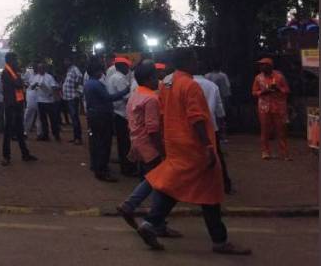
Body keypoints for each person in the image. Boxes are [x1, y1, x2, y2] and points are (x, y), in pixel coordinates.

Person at [133, 50, 251, 256]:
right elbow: (196, 118)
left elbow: (162, 113)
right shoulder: (190, 85)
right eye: (195, 59)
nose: (197, 62)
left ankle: (152, 223)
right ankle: (218, 240)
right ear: (186, 62)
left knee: (175, 187)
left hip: (175, 144)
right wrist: (207, 146)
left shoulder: (167, 83)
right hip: (194, 147)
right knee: (208, 193)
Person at [117, 60, 179, 237]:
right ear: (150, 78)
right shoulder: (151, 98)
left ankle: (131, 206)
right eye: (155, 76)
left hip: (138, 143)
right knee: (160, 184)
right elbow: (153, 130)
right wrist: (163, 151)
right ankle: (154, 222)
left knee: (152, 179)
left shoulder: (137, 93)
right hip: (150, 146)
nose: (158, 78)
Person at [83, 57, 129, 182]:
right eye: (101, 71)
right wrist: (125, 91)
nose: (102, 73)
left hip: (94, 115)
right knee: (104, 143)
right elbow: (108, 98)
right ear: (97, 72)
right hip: (101, 117)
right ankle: (102, 171)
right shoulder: (96, 84)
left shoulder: (88, 83)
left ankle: (97, 166)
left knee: (96, 142)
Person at [194, 68, 232, 194]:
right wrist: (222, 128)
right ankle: (225, 184)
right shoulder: (212, 86)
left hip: (190, 128)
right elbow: (219, 111)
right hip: (211, 126)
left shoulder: (182, 84)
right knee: (217, 156)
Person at [0, 52, 38, 166]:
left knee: (19, 131)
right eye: (16, 60)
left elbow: (19, 84)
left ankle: (25, 154)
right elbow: (18, 84)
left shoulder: (13, 72)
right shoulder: (7, 72)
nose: (18, 62)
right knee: (8, 132)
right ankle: (6, 156)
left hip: (16, 105)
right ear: (10, 61)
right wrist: (19, 79)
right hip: (11, 106)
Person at [252, 57, 291, 161]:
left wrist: (279, 89)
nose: (261, 67)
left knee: (281, 131)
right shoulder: (258, 78)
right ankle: (265, 152)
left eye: (263, 65)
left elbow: (287, 90)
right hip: (264, 107)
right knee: (264, 131)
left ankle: (284, 153)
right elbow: (254, 92)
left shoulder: (279, 77)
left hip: (278, 107)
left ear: (270, 66)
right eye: (260, 65)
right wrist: (263, 92)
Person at [107, 56, 137, 176]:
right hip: (121, 113)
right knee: (125, 143)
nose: (128, 69)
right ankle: (127, 169)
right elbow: (126, 97)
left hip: (117, 112)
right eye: (127, 66)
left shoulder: (113, 77)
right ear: (121, 67)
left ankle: (125, 165)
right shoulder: (120, 79)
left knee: (122, 142)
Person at [61, 55, 85, 145]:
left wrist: (76, 85)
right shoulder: (69, 70)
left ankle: (78, 138)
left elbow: (80, 76)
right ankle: (75, 137)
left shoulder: (74, 68)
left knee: (75, 118)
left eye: (66, 60)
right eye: (64, 61)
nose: (65, 62)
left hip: (73, 97)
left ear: (71, 61)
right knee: (73, 118)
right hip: (69, 97)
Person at [204, 62, 232, 134]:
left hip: (210, 98)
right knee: (220, 117)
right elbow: (227, 88)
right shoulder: (222, 76)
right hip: (219, 98)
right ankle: (221, 134)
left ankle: (219, 133)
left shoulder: (206, 76)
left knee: (214, 116)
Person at [35, 63, 61, 142]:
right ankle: (45, 135)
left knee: (53, 119)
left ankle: (56, 134)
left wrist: (51, 92)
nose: (40, 70)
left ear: (44, 69)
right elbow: (32, 86)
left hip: (49, 101)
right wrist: (35, 85)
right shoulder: (36, 77)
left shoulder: (49, 77)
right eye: (39, 69)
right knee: (43, 120)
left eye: (41, 68)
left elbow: (53, 86)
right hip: (40, 100)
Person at [23, 63, 40, 138]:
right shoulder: (29, 74)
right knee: (28, 115)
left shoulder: (42, 75)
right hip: (30, 98)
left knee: (39, 118)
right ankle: (25, 132)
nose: (36, 68)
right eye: (35, 67)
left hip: (40, 99)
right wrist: (29, 86)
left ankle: (40, 133)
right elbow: (24, 82)